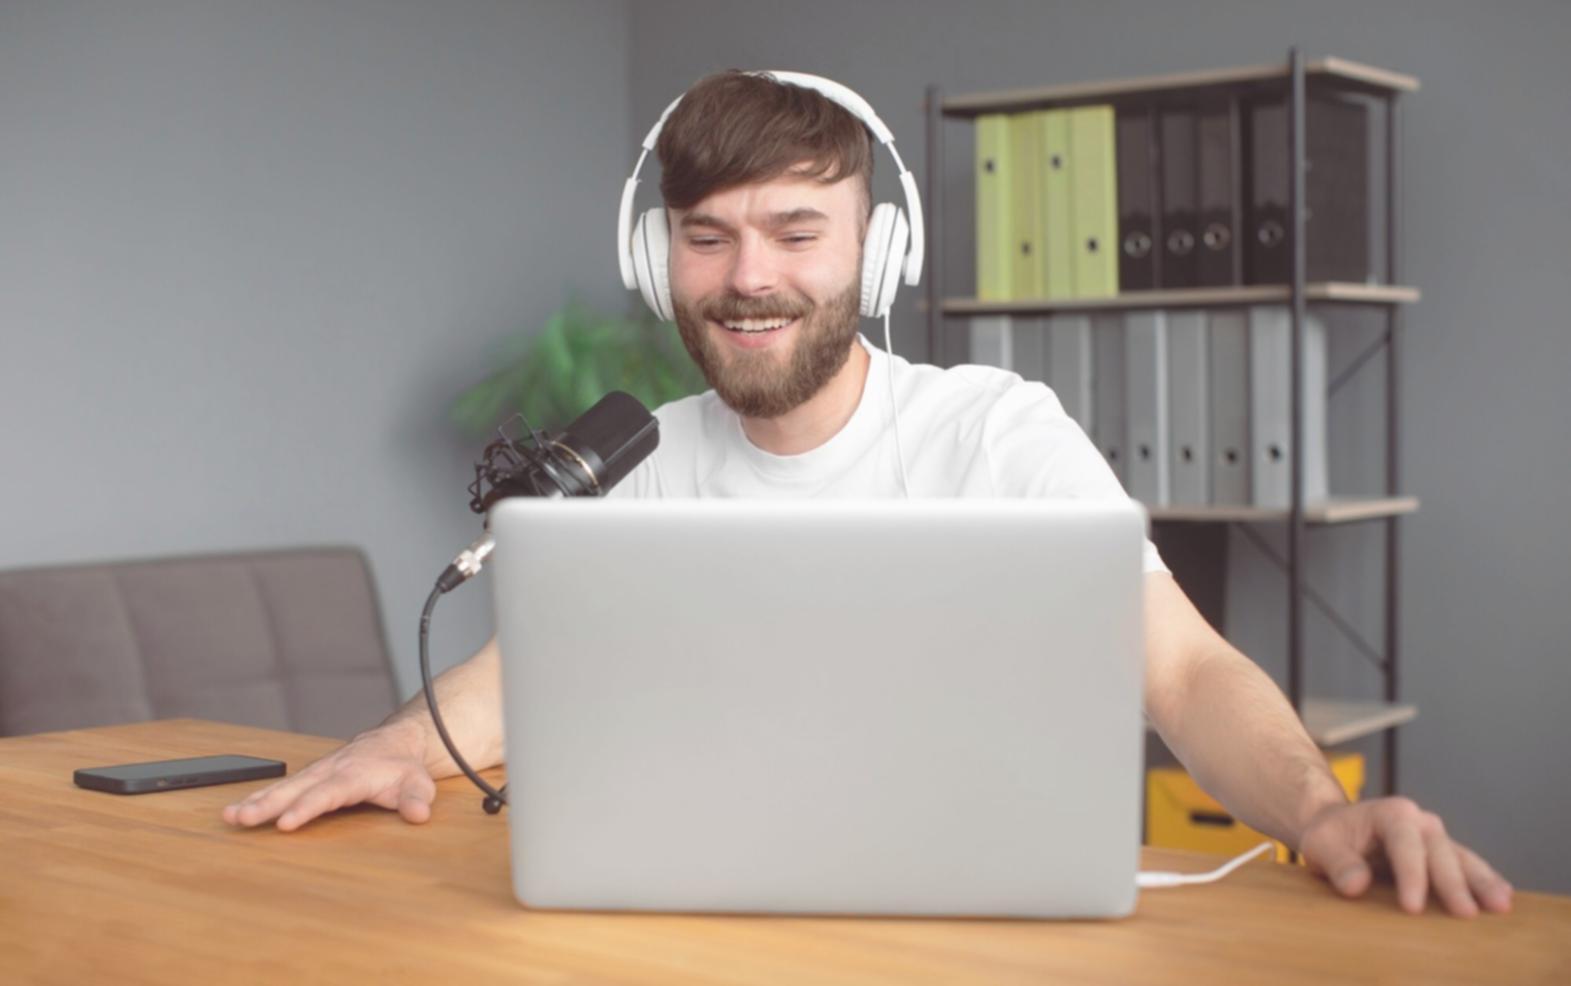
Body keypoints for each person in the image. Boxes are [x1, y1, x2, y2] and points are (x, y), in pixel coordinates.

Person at [225, 70, 1512, 919]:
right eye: (707, 237)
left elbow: (1179, 672)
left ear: (875, 253)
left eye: (796, 232)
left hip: (971, 929)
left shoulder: (995, 430)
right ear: (657, 260)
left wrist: (1321, 814)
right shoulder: (641, 455)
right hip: (694, 924)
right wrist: (392, 745)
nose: (749, 277)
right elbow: (517, 679)